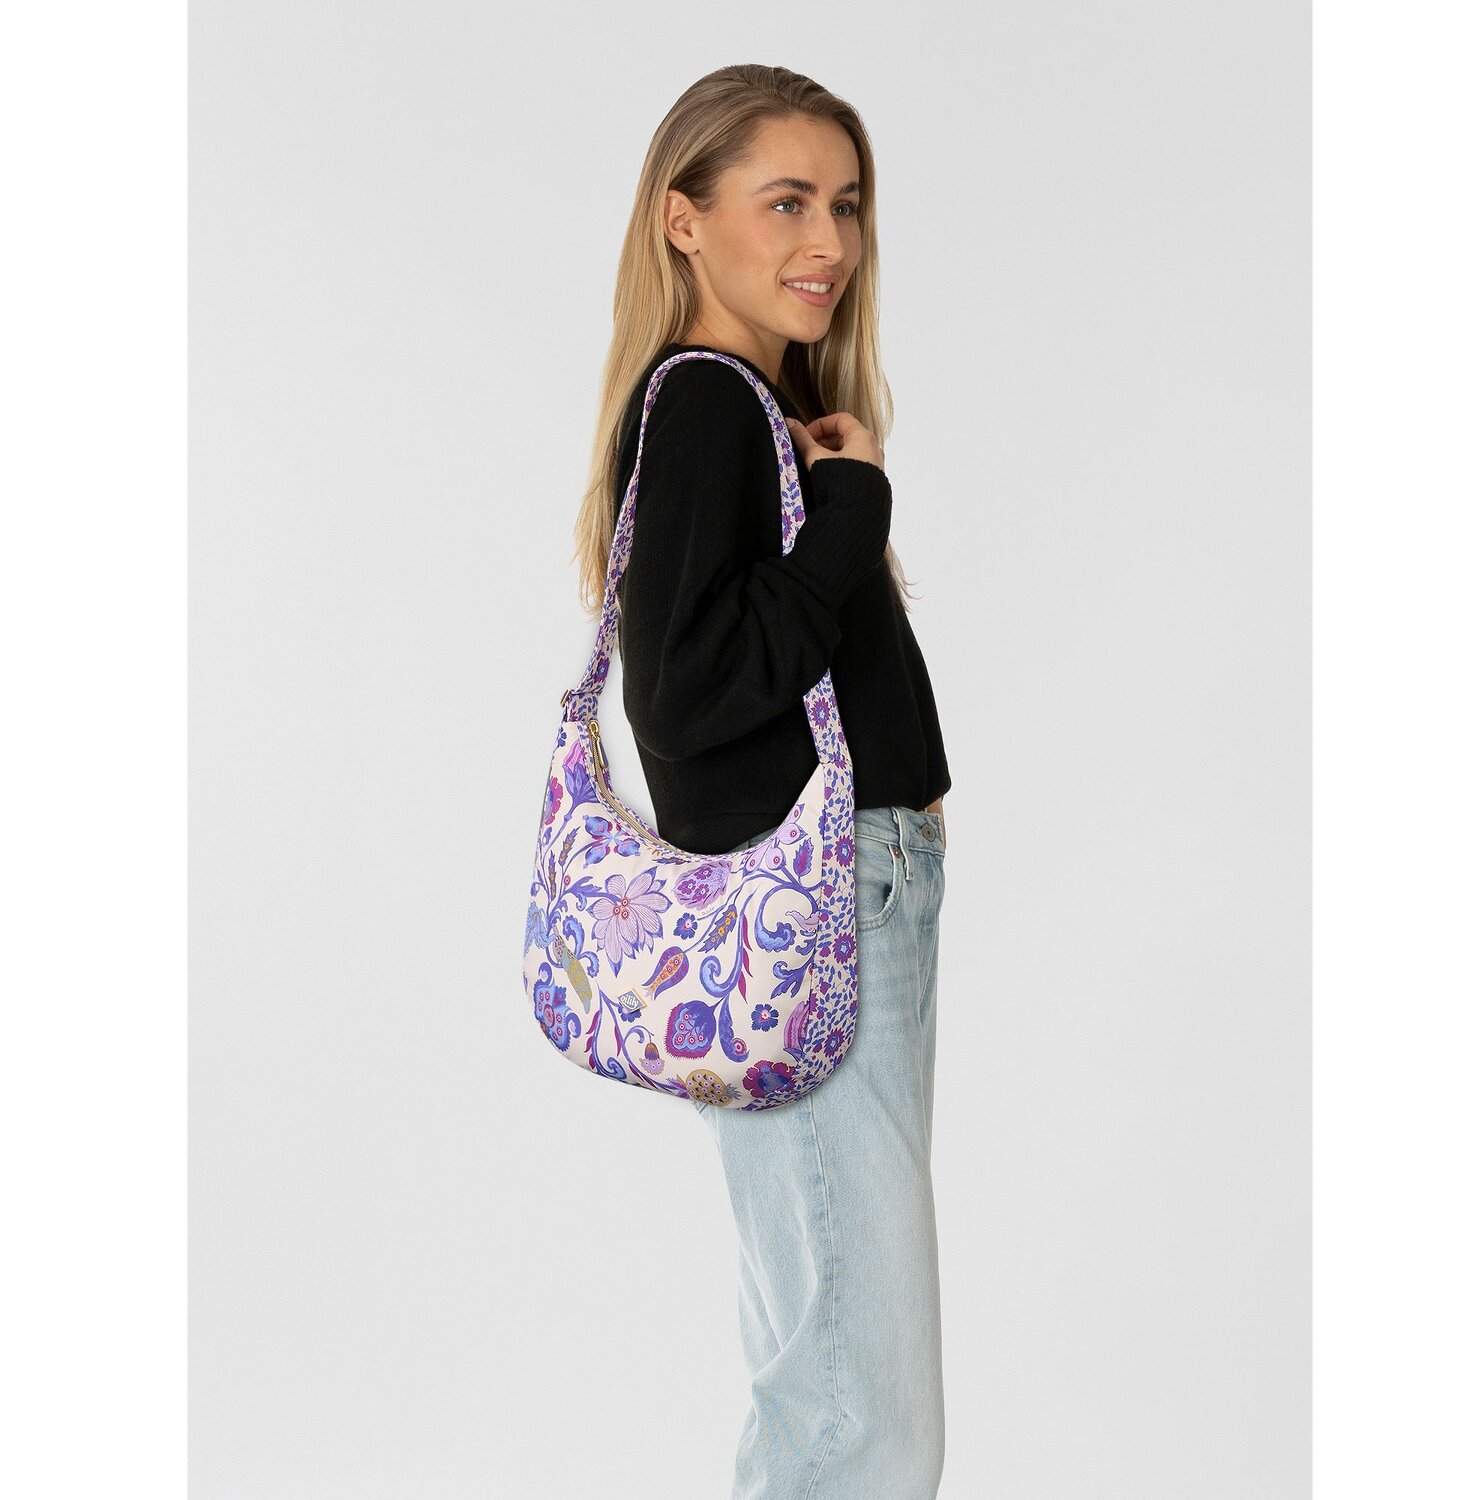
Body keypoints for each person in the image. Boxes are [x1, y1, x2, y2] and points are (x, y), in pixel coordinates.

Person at [571, 64, 952, 1499]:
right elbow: (686, 693)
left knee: (832, 1357)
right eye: (786, 202)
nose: (830, 242)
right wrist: (853, 506)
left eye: (845, 205)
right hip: (815, 903)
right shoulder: (710, 404)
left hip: (839, 897)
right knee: (858, 1404)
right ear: (684, 219)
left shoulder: (751, 410)